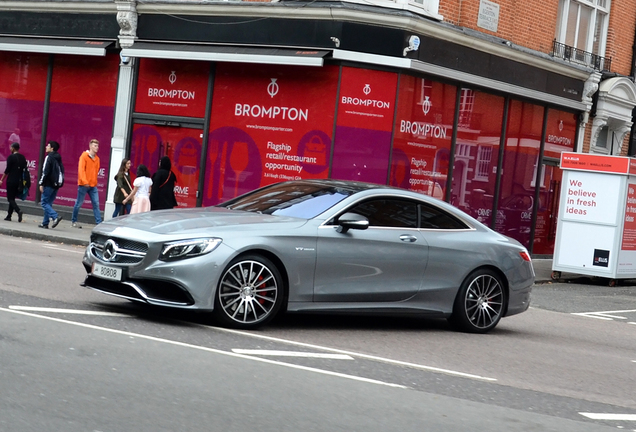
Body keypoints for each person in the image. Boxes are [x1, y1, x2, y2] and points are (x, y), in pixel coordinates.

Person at [71, 138, 102, 228]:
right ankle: (74, 220)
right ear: (90, 146)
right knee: (79, 203)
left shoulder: (97, 159)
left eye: (97, 146)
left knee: (96, 203)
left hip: (93, 185)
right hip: (84, 184)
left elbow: (96, 171)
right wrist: (84, 181)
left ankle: (98, 222)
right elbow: (81, 170)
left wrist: (94, 181)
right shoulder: (84, 156)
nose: (97, 148)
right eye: (95, 146)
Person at [38, 141, 64, 229]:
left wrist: (41, 183)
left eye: (48, 146)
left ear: (52, 148)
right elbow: (62, 170)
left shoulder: (49, 157)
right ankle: (45, 223)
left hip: (48, 183)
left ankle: (55, 216)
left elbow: (45, 171)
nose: (46, 147)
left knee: (44, 203)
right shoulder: (58, 157)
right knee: (49, 203)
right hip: (56, 184)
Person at [0, 142, 27, 222]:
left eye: (11, 147)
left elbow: (7, 170)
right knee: (12, 198)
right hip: (19, 181)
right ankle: (9, 216)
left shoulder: (11, 157)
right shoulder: (22, 157)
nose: (10, 148)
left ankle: (18, 210)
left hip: (11, 180)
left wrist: (1, 179)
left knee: (10, 198)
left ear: (13, 148)